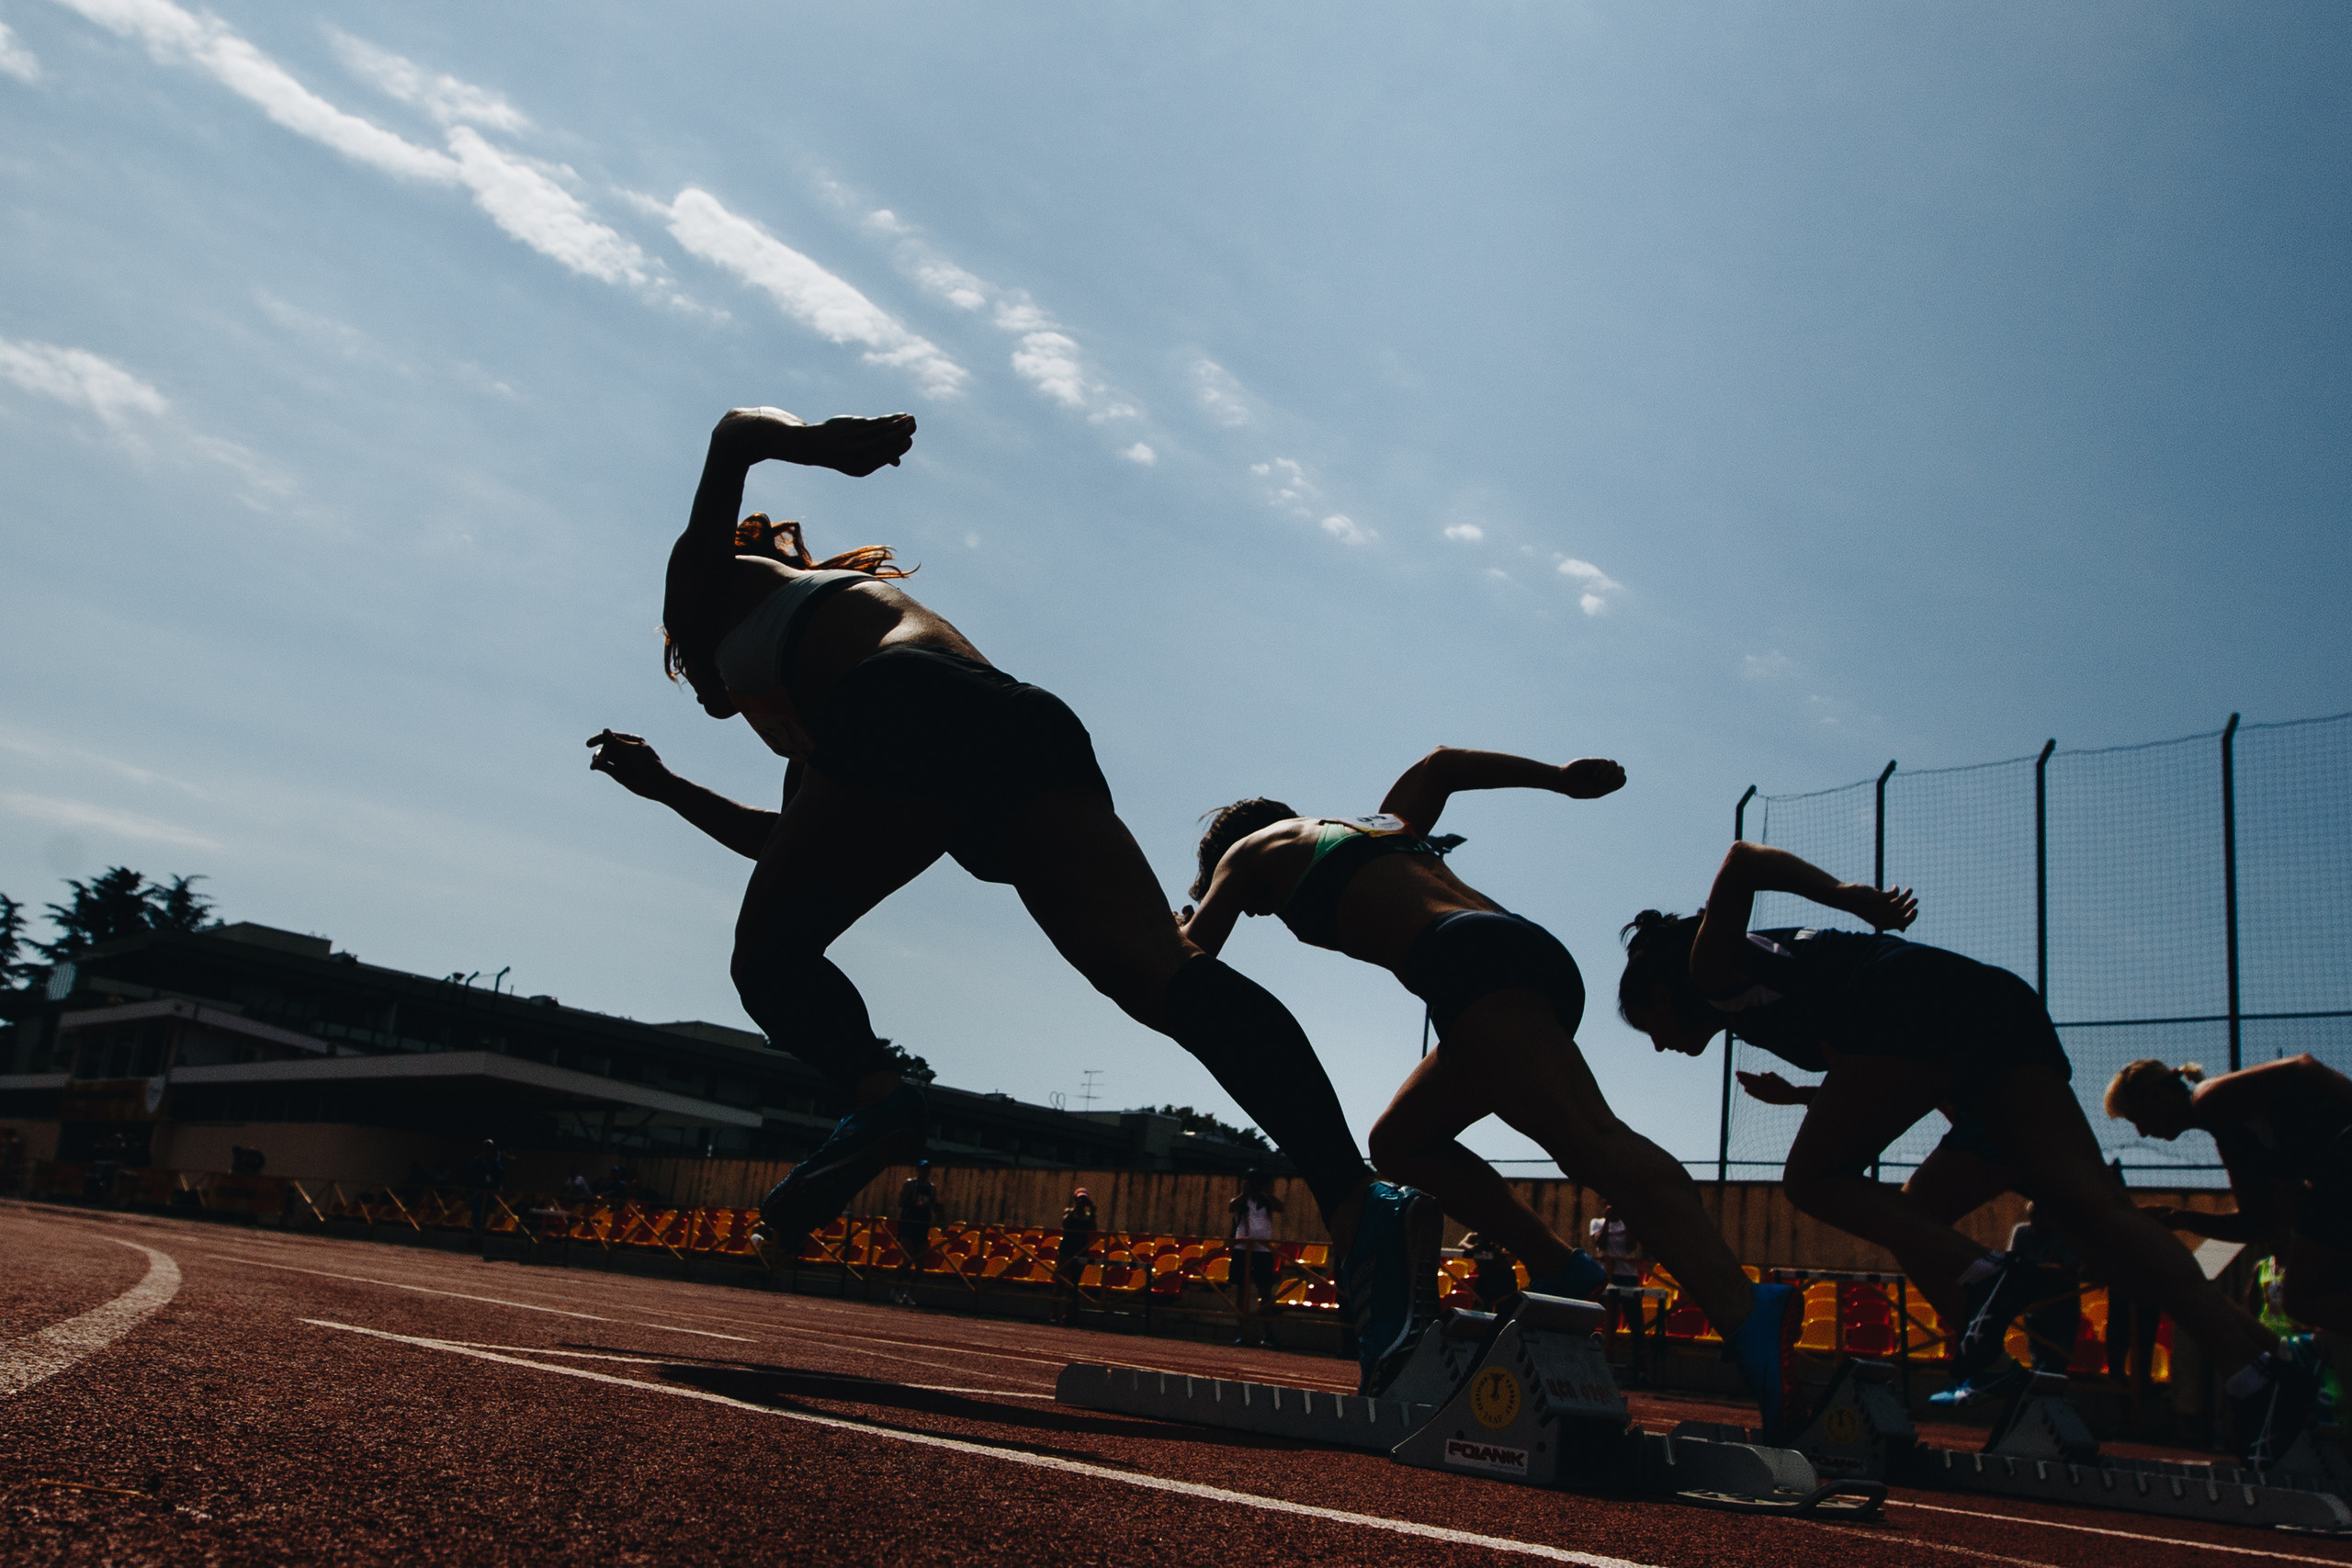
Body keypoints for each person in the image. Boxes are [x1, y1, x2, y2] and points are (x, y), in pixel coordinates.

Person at [591, 405, 1434, 1393]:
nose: (701, 694)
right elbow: (789, 846)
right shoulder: (823, 688)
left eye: (689, 677)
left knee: (764, 962)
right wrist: (668, 790)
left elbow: (732, 432)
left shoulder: (701, 594)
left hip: (909, 713)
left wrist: (823, 445)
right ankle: (1353, 1202)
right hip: (1014, 724)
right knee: (1162, 975)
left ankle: (880, 1101)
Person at [1618, 839, 2319, 1466]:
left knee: (1810, 1179)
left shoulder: (1707, 967)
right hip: (1988, 1007)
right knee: (2092, 1214)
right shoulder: (1773, 993)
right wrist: (1804, 1098)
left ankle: (1983, 1278)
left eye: (1649, 1024)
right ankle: (2258, 1368)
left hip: (1919, 1007)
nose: (1658, 1044)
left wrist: (1846, 895)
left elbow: (1742, 859)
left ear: (1660, 990)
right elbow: (1873, 1080)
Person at [1182, 748, 1804, 1431]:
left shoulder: (1248, 852)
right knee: (1401, 1142)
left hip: (1467, 962)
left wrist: (1183, 913)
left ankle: (1746, 1308)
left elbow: (1186, 960)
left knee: (1592, 1140)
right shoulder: (1373, 824)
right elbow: (1443, 763)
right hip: (1512, 949)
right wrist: (1560, 779)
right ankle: (1559, 1265)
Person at [2108, 1057, 2352, 1337]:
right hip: (2334, 1182)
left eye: (2137, 1119)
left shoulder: (2210, 1098)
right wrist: (2180, 1219)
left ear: (2155, 1096)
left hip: (2342, 1162)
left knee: (2302, 1299)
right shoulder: (2236, 1142)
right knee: (2308, 1299)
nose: (2142, 1132)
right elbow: (2258, 1224)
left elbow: (2302, 1067)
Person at [1227, 1169, 1285, 1347]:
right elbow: (1231, 1207)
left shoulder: (1267, 1201)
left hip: (1263, 1250)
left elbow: (1280, 1207)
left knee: (1265, 1291)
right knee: (1241, 1290)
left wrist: (1267, 1193)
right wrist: (1244, 1193)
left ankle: (1267, 1333)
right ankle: (1242, 1331)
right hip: (1242, 1248)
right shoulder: (1241, 1201)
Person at [1589, 1204, 1645, 1336]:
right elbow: (1601, 1244)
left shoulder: (1628, 1223)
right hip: (1605, 1275)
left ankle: (1639, 1351)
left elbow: (1631, 1246)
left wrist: (1626, 1219)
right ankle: (1606, 1350)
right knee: (1608, 1320)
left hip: (1627, 1276)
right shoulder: (1597, 1223)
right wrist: (1607, 1221)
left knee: (1635, 1320)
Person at [895, 1159, 939, 1304]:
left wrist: (937, 1209)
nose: (925, 1172)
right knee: (907, 1260)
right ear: (917, 1170)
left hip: (922, 1227)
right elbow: (901, 1202)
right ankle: (896, 1289)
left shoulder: (931, 1188)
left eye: (927, 1169)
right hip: (909, 1225)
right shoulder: (910, 1184)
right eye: (922, 1169)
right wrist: (913, 1204)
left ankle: (909, 1292)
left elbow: (934, 1206)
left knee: (920, 1264)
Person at [1053, 1187, 1097, 1326]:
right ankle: (1053, 1313)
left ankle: (1068, 1314)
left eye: (1084, 1199)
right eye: (1079, 1199)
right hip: (1066, 1250)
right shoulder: (1068, 1211)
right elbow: (1065, 1224)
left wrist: (1093, 1213)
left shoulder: (1089, 1215)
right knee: (1060, 1283)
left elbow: (1093, 1230)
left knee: (1073, 1285)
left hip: (1081, 1251)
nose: (1081, 1202)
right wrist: (1074, 1210)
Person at [1463, 1231, 1519, 1314]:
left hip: (1503, 1284)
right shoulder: (1479, 1250)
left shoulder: (1502, 1252)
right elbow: (1465, 1248)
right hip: (1486, 1284)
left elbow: (1511, 1256)